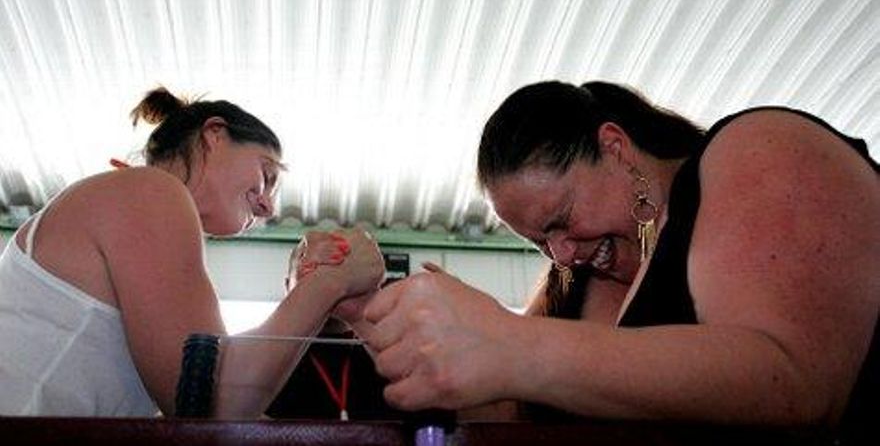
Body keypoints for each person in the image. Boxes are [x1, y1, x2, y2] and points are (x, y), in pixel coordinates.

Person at [359, 80, 879, 438]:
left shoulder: (756, 145)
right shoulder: (571, 292)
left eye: (561, 219)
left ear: (616, 147)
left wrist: (510, 343)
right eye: (540, 243)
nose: (561, 253)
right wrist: (374, 317)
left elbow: (792, 383)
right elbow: (515, 423)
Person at [0, 87, 385, 417]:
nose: (268, 206)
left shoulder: (141, 211)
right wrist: (329, 281)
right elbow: (210, 402)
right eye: (267, 175)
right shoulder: (148, 190)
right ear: (214, 133)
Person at [267, 232, 404, 421]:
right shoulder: (263, 356)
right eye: (316, 269)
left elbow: (431, 411)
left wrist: (360, 315)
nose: (331, 282)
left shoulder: (388, 351)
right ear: (287, 286)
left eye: (341, 267)